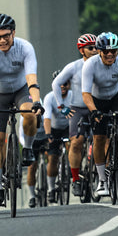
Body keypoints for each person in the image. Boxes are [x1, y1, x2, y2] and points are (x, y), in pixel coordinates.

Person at [0, 13, 43, 206]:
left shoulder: (25, 47)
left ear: (13, 32)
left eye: (6, 35)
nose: (2, 40)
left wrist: (37, 101)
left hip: (21, 90)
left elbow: (32, 78)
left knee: (29, 113)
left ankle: (28, 148)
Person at [81, 32, 118, 197]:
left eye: (113, 51)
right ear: (99, 51)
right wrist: (93, 111)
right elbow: (85, 94)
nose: (110, 54)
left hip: (116, 96)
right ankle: (102, 181)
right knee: (99, 139)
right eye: (106, 51)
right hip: (97, 99)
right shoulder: (90, 65)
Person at [51, 34, 98, 197]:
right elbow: (56, 83)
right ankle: (76, 179)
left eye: (97, 47)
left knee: (103, 139)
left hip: (96, 108)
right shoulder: (74, 66)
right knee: (76, 142)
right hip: (78, 109)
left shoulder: (103, 64)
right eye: (90, 48)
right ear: (82, 50)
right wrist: (61, 106)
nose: (95, 51)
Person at [41, 70, 73, 204]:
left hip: (69, 128)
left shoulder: (73, 95)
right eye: (59, 84)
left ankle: (73, 168)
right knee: (53, 158)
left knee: (75, 145)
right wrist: (48, 134)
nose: (63, 87)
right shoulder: (49, 98)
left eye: (65, 84)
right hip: (54, 129)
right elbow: (47, 117)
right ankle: (51, 188)